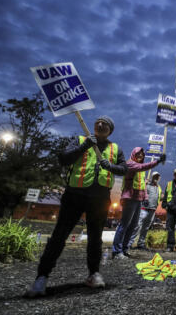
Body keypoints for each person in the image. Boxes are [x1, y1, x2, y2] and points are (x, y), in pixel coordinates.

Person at [25, 116, 127, 297]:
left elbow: (124, 169)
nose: (100, 124)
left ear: (110, 130)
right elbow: (63, 159)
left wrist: (110, 166)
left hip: (100, 198)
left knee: (95, 238)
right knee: (59, 236)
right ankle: (41, 278)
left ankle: (93, 274)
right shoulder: (80, 140)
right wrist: (85, 145)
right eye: (98, 122)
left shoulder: (115, 148)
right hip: (75, 195)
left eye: (105, 124)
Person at [112, 148, 164, 259]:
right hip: (129, 198)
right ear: (133, 154)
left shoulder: (141, 170)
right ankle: (116, 251)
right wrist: (157, 161)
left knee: (133, 225)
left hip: (138, 200)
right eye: (138, 153)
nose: (140, 155)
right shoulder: (130, 164)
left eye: (142, 154)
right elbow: (142, 167)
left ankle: (124, 249)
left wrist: (145, 197)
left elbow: (142, 185)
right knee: (124, 225)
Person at [127, 171, 163, 251]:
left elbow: (159, 197)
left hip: (152, 210)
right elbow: (139, 190)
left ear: (159, 178)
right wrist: (144, 183)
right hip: (144, 209)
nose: (156, 178)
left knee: (146, 228)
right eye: (155, 176)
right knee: (137, 226)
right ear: (152, 177)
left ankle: (141, 243)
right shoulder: (147, 185)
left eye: (157, 177)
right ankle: (128, 243)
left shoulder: (159, 187)